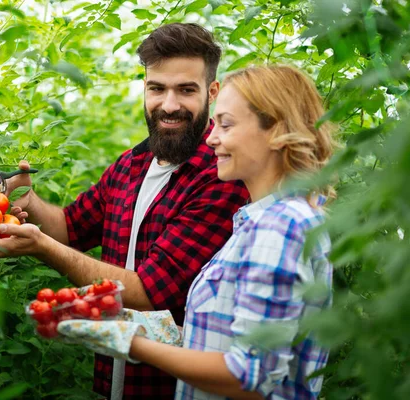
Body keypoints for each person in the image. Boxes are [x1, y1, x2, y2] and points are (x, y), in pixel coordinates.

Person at [0, 23, 249, 399]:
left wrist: (41, 246)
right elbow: (72, 228)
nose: (169, 105)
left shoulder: (220, 176)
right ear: (144, 88)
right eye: (157, 88)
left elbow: (150, 292)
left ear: (212, 92)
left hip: (170, 387)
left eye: (186, 90)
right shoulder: (132, 164)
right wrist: (30, 203)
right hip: (113, 381)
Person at [58, 65, 335, 400]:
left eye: (227, 124)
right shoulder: (261, 222)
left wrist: (131, 343)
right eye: (215, 123)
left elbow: (247, 377)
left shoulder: (280, 228)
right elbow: (222, 340)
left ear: (275, 131)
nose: (213, 137)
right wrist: (136, 324)